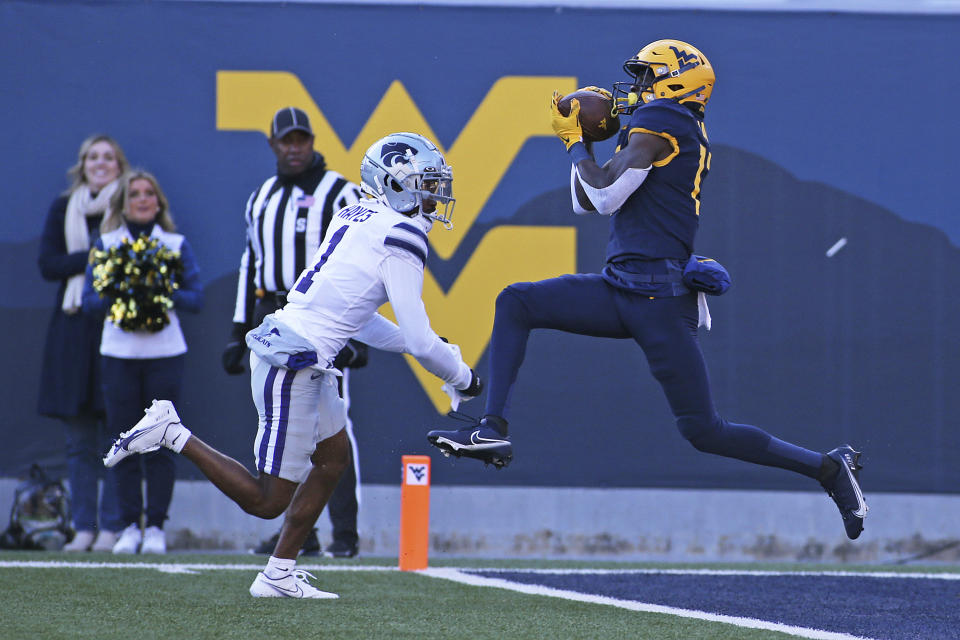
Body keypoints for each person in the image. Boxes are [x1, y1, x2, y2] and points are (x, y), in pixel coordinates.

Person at [426, 40, 869, 541]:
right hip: (623, 288)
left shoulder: (666, 121)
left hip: (658, 300)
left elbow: (605, 194)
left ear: (674, 80)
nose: (634, 88)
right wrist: (584, 146)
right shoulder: (662, 124)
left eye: (644, 76)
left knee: (705, 431)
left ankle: (829, 470)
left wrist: (575, 141)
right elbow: (587, 202)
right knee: (516, 301)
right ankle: (492, 431)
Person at [104, 132, 482, 598]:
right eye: (425, 183)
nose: (434, 194)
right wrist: (462, 375)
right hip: (294, 364)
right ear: (395, 184)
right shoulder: (400, 234)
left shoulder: (359, 215)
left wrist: (428, 351)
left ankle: (278, 573)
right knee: (267, 500)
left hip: (301, 352)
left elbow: (359, 323)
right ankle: (170, 432)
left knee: (332, 460)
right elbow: (423, 341)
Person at [222, 107, 366, 558]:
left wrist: (354, 334)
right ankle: (302, 531)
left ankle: (345, 534)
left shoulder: (342, 193)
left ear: (312, 140)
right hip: (272, 313)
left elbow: (360, 266)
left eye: (301, 139)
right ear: (273, 145)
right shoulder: (259, 197)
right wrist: (237, 328)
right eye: (286, 140)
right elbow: (251, 264)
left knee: (332, 428)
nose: (295, 147)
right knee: (282, 427)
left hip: (322, 317)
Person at [83, 170, 204, 554]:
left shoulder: (174, 244)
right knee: (125, 440)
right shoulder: (106, 244)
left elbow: (196, 298)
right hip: (119, 356)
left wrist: (161, 288)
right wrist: (122, 288)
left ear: (159, 201)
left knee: (164, 439)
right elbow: (89, 304)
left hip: (165, 355)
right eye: (134, 193)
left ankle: (155, 528)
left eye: (149, 193)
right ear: (122, 203)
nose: (141, 199)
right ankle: (127, 528)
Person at [38, 134, 130, 552]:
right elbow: (49, 264)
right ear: (82, 163)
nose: (100, 163)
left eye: (108, 157)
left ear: (119, 165)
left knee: (116, 436)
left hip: (115, 327)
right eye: (93, 156)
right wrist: (94, 255)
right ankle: (84, 527)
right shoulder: (64, 207)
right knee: (79, 441)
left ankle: (112, 527)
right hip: (73, 330)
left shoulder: (130, 203)